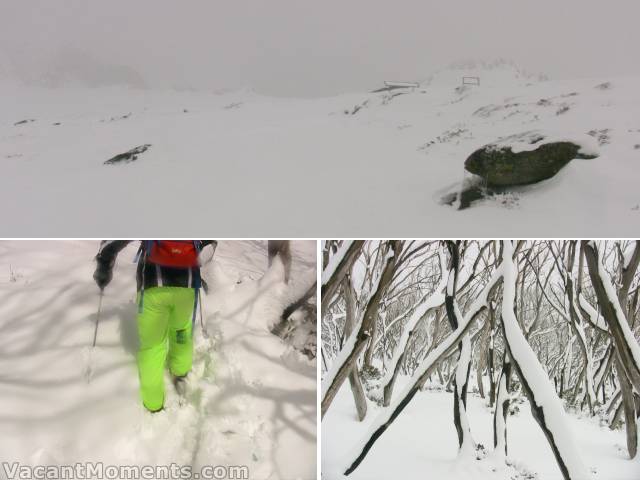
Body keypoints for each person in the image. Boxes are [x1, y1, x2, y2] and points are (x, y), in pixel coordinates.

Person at [93, 240, 217, 413]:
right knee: (181, 330)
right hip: (187, 287)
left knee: (153, 345)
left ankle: (153, 403)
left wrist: (104, 262)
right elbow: (209, 243)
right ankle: (180, 372)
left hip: (153, 285)